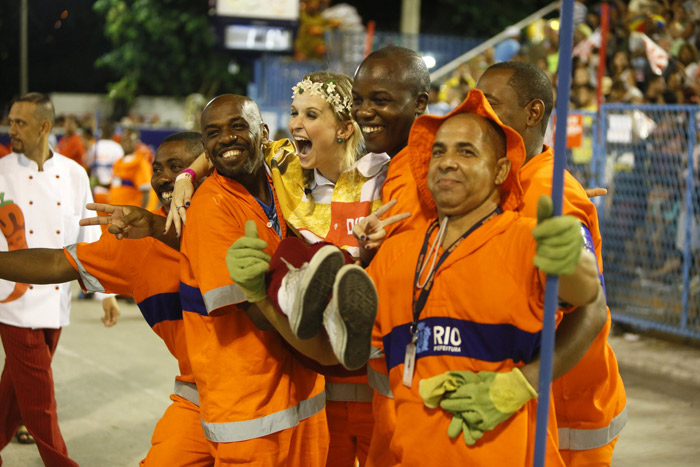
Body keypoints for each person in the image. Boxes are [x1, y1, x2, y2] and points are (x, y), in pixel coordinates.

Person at [366, 90, 601, 466]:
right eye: (439, 151)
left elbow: (587, 298)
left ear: (501, 171)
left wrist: (571, 259)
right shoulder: (397, 252)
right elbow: (340, 343)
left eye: (466, 152)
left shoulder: (525, 238)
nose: (447, 162)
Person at [0, 131, 213, 466]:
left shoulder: (240, 215)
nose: (164, 178)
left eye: (177, 166)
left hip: (267, 394)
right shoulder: (139, 239)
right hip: (203, 398)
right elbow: (59, 262)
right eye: (158, 169)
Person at [475, 61, 626, 466]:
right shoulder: (517, 177)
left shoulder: (550, 190)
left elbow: (588, 306)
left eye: (490, 103)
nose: (478, 114)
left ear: (533, 112)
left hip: (568, 410)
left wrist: (527, 381)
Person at [179, 94, 328, 465]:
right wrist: (329, 348)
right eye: (213, 133)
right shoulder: (210, 206)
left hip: (306, 399)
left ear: (263, 133)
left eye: (237, 126)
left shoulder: (285, 178)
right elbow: (256, 309)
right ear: (205, 146)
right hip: (248, 413)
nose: (226, 138)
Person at [0, 92, 119, 466]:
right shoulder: (1, 172)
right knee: (40, 398)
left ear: (44, 127)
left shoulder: (73, 173)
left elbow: (89, 235)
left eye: (20, 122)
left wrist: (106, 293)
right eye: (11, 121)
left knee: (14, 393)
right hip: (13, 301)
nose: (11, 129)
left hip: (57, 300)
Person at [110, 126, 152, 209]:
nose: (126, 143)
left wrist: (141, 215)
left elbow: (146, 192)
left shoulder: (140, 163)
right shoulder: (118, 162)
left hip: (131, 215)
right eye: (124, 140)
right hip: (116, 213)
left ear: (136, 142)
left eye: (130, 140)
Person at [86, 120, 124, 206]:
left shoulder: (95, 146)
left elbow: (88, 167)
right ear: (114, 134)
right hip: (112, 191)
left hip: (96, 191)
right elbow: (120, 171)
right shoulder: (117, 148)